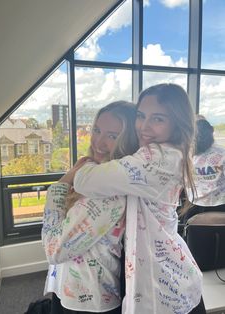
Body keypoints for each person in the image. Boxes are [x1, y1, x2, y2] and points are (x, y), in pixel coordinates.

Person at [72, 83, 205, 314]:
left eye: (158, 119)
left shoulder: (157, 159)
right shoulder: (171, 154)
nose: (144, 126)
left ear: (177, 122)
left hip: (163, 283)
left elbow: (85, 180)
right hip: (167, 269)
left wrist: (81, 166)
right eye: (141, 116)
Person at [42, 101, 138, 314]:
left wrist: (62, 184)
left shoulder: (107, 193)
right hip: (74, 288)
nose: (99, 142)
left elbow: (53, 250)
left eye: (113, 136)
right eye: (97, 130)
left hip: (89, 300)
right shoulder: (94, 175)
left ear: (128, 142)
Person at [182, 118, 225, 223]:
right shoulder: (222, 154)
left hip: (193, 207)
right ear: (212, 130)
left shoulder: (186, 155)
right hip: (220, 206)